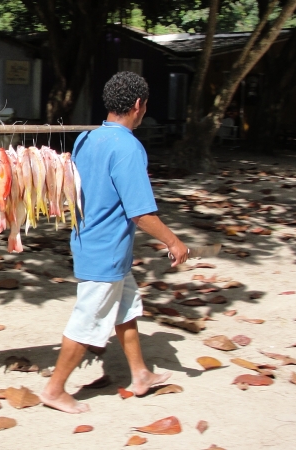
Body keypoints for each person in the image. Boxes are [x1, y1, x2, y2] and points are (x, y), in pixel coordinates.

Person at [40, 71, 189, 414]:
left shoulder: (86, 139)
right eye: (145, 106)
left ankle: (140, 375)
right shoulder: (128, 148)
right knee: (89, 321)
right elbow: (140, 212)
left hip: (92, 241)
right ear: (139, 105)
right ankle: (54, 389)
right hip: (104, 250)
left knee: (126, 309)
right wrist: (173, 241)